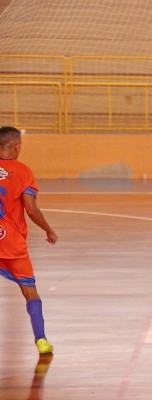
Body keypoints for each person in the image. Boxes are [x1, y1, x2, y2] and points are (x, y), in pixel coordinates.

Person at [0, 126, 57, 354]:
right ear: (17, 147)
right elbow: (31, 210)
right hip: (12, 244)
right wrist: (48, 230)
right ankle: (41, 340)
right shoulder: (23, 172)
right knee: (29, 290)